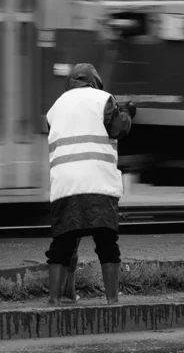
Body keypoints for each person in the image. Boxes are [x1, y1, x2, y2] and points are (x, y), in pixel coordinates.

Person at [45, 63, 137, 306]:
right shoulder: (103, 100)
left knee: (61, 244)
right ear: (95, 81)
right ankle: (112, 300)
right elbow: (118, 129)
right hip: (98, 184)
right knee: (107, 243)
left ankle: (54, 300)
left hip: (65, 186)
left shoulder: (56, 107)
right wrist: (128, 113)